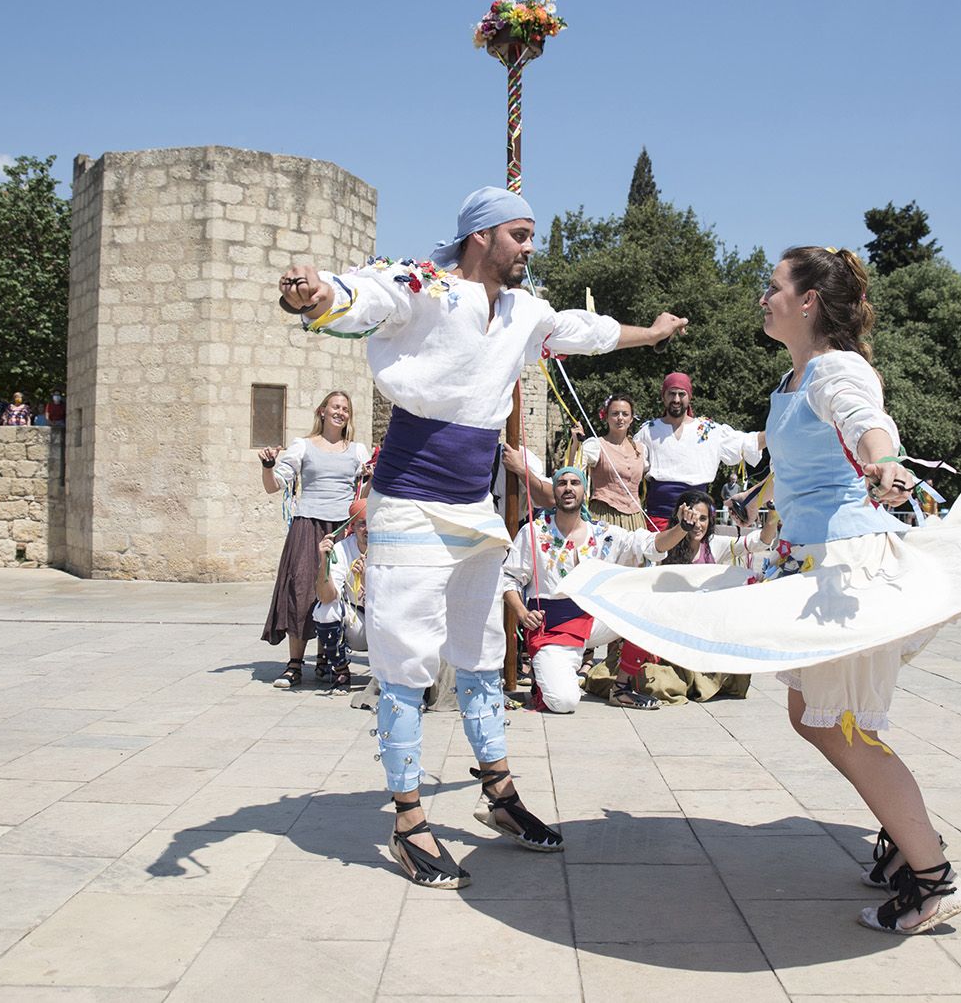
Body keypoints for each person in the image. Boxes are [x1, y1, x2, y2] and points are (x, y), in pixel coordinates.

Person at [562, 245, 961, 935]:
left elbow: (864, 422)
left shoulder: (837, 369)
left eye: (774, 286)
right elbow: (805, 453)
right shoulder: (794, 377)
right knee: (822, 717)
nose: (763, 297)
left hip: (844, 570)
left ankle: (932, 876)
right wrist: (760, 494)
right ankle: (909, 850)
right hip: (807, 563)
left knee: (837, 725)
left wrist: (886, 461)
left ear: (808, 300)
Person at [278, 185, 687, 889]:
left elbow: (580, 333)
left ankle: (498, 793)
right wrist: (314, 294)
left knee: (481, 650)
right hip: (409, 501)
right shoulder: (426, 286)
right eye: (520, 234)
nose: (531, 247)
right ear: (481, 237)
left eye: (532, 235)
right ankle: (408, 821)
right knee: (405, 659)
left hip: (475, 504)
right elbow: (364, 297)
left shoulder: (526, 312)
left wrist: (648, 335)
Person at [502, 466, 690, 713]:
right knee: (564, 702)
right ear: (554, 493)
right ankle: (546, 676)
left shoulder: (603, 534)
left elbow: (649, 545)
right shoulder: (535, 531)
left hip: (593, 623)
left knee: (647, 605)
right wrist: (522, 613)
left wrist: (681, 529)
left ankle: (622, 688)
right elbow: (509, 578)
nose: (568, 487)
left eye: (574, 483)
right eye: (562, 483)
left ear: (584, 491)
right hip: (552, 629)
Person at [595, 488, 770, 707]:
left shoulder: (716, 545)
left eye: (703, 519)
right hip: (665, 628)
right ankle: (622, 687)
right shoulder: (665, 543)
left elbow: (760, 541)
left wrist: (772, 515)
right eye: (692, 518)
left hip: (698, 629)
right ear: (680, 517)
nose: (698, 524)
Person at [258, 390, 371, 688]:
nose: (341, 412)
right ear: (322, 411)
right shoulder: (303, 446)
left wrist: (372, 477)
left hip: (343, 527)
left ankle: (327, 658)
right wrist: (268, 466)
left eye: (345, 408)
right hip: (308, 524)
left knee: (338, 590)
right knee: (301, 588)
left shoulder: (357, 450)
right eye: (335, 406)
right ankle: (295, 663)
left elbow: (364, 496)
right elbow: (274, 486)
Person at [636, 372, 765, 527]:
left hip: (698, 515)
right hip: (659, 515)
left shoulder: (709, 430)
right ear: (663, 396)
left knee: (697, 552)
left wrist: (779, 432)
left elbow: (746, 442)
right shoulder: (648, 430)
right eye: (671, 393)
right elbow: (628, 463)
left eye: (681, 394)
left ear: (690, 397)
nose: (676, 399)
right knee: (657, 551)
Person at [314, 498, 370, 691]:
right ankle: (341, 671)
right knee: (324, 610)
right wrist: (324, 562)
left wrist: (365, 580)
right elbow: (326, 597)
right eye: (362, 523)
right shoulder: (342, 549)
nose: (368, 529)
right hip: (360, 624)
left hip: (389, 624)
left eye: (373, 522)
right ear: (353, 527)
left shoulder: (390, 548)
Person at [577, 393, 648, 529]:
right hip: (604, 515)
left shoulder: (641, 449)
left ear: (632, 418)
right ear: (607, 417)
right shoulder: (596, 445)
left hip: (635, 518)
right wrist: (575, 443)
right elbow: (573, 470)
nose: (620, 418)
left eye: (625, 414)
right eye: (615, 414)